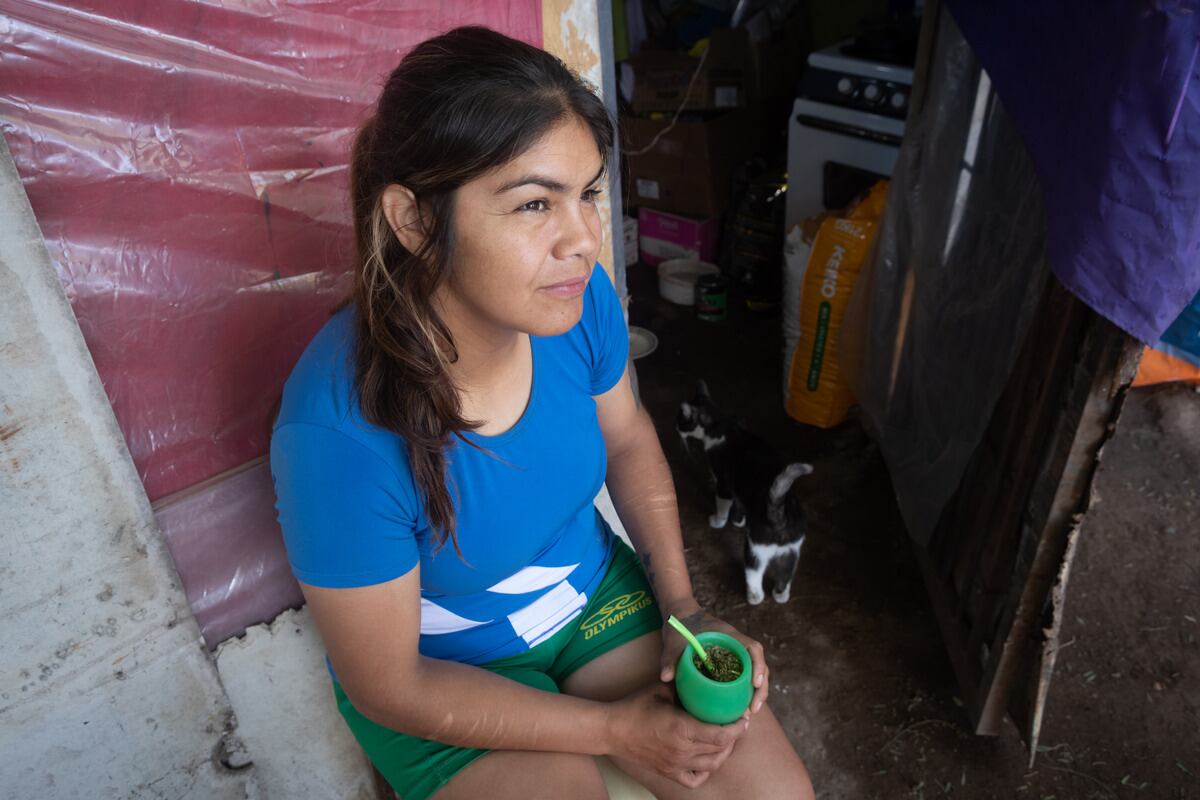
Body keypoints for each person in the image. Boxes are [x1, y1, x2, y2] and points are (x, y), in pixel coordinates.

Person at [270, 25, 814, 800]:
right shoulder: (336, 436)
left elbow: (627, 440)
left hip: (585, 598)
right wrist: (616, 731)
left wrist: (684, 610)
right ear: (414, 220)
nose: (585, 240)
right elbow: (392, 686)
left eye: (588, 193)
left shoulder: (579, 301)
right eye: (534, 203)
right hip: (441, 675)